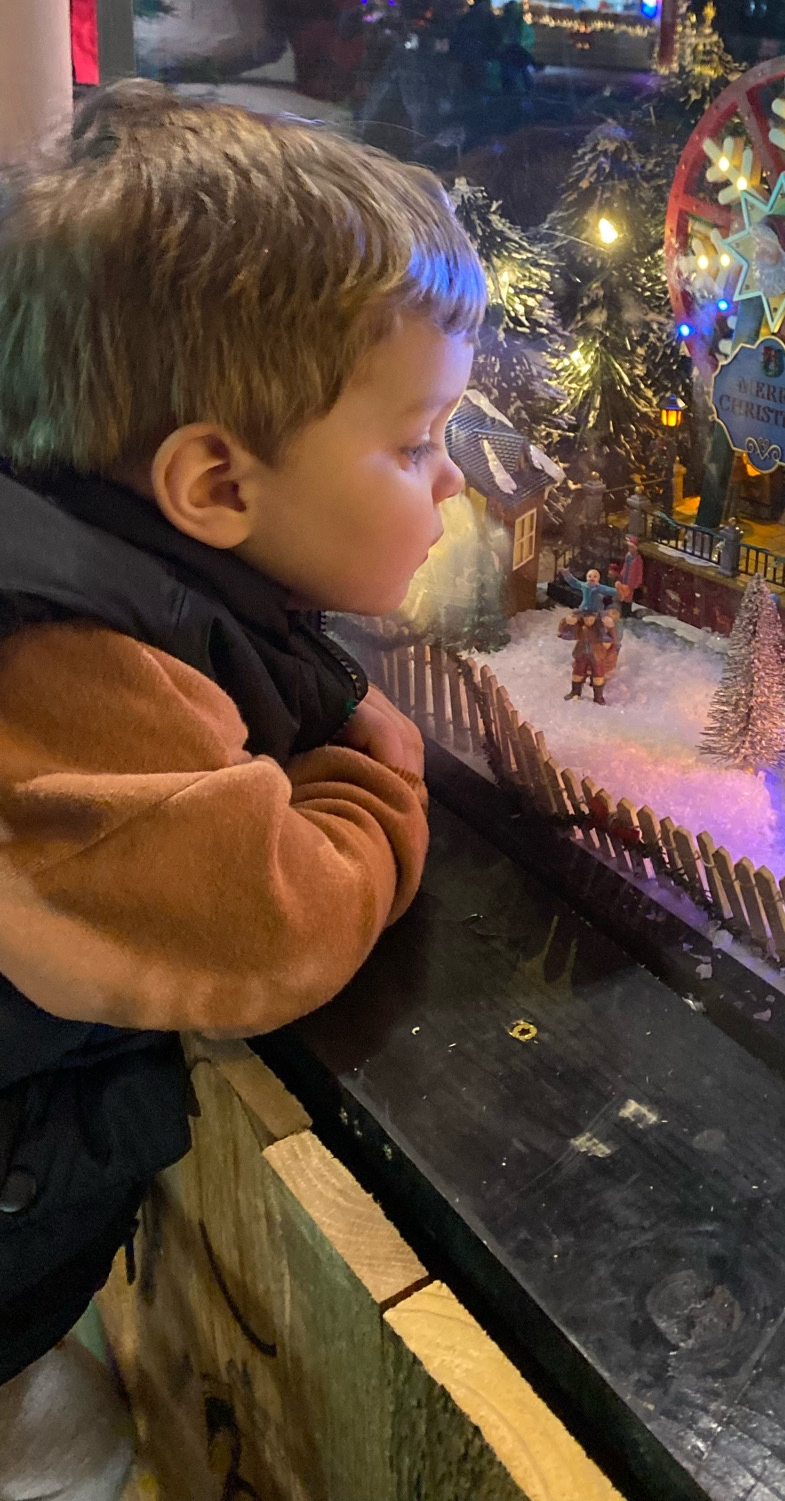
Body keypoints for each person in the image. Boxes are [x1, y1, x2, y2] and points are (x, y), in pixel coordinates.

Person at [0, 81, 482, 1490]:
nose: (449, 481)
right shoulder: (67, 669)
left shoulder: (117, 570)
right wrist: (373, 781)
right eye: (413, 442)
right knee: (82, 1457)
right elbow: (267, 923)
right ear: (214, 482)